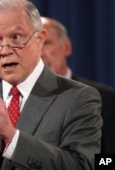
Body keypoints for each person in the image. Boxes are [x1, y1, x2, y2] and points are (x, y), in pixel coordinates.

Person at [0, 0, 102, 169]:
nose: (4, 50)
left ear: (40, 39)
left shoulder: (78, 98)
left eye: (16, 37)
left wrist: (12, 136)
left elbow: (82, 166)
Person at [41, 16, 115, 153]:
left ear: (67, 47)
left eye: (46, 43)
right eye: (33, 46)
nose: (39, 54)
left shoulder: (106, 99)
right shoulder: (20, 99)